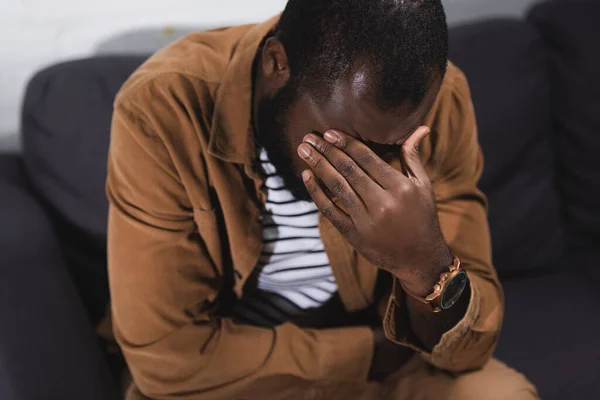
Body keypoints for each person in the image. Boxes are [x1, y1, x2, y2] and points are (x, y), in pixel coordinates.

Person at [106, 0, 539, 399]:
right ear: (277, 63)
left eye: (399, 143)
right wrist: (366, 354)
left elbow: (467, 351)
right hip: (238, 372)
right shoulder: (165, 106)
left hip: (389, 362)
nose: (368, 166)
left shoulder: (444, 99)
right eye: (342, 141)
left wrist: (422, 265)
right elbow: (167, 359)